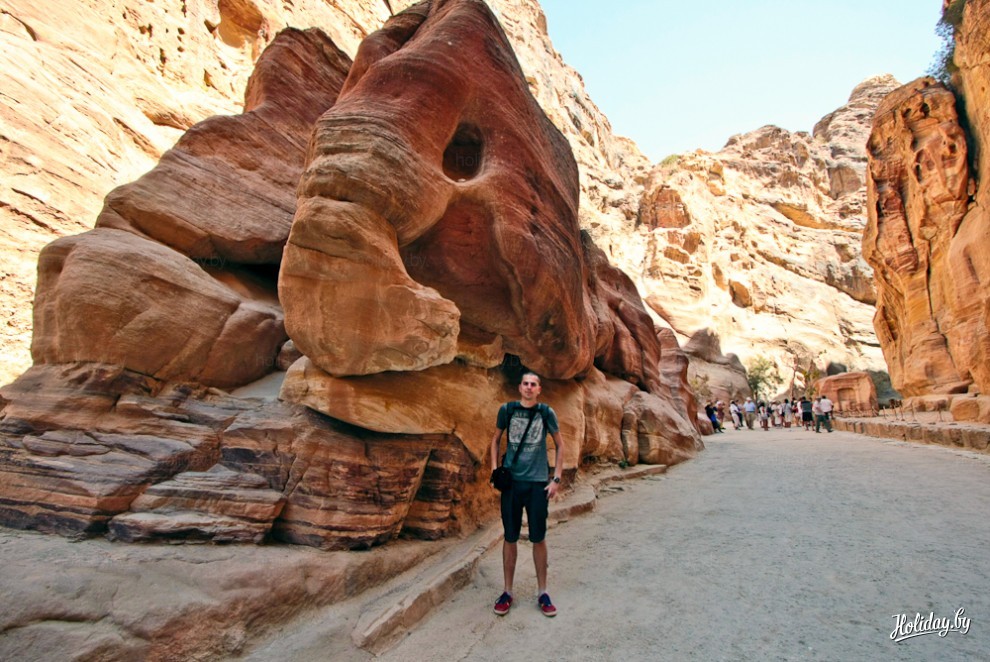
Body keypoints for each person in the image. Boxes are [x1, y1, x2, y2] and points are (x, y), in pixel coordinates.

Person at [489, 372, 564, 618]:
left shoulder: (546, 412)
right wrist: (494, 470)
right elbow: (495, 440)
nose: (529, 387)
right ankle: (507, 591)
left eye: (533, 384)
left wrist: (556, 479)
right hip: (512, 484)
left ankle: (543, 592)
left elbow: (560, 444)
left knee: (538, 538)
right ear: (520, 387)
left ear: (539, 389)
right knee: (510, 537)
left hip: (537, 484)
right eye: (525, 384)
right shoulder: (507, 410)